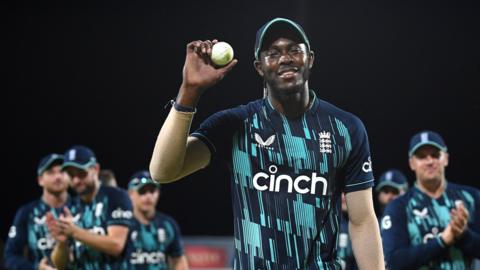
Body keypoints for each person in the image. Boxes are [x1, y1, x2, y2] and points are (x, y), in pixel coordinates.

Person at [149, 17, 384, 269]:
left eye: (295, 50)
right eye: (273, 53)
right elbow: (163, 171)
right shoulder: (236, 124)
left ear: (311, 59)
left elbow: (361, 221)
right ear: (259, 67)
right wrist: (189, 92)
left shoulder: (345, 128)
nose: (285, 58)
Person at [381, 130, 480, 269]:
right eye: (421, 156)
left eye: (435, 155)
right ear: (411, 163)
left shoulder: (472, 197)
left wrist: (463, 235)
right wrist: (442, 241)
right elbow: (393, 262)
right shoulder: (398, 206)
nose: (429, 161)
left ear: (446, 158)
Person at [46, 145, 133, 269]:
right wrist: (61, 242)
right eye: (71, 175)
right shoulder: (68, 207)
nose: (76, 180)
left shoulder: (116, 197)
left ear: (95, 169)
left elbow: (116, 245)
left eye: (81, 173)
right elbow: (60, 265)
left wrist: (75, 232)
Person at [4, 153, 69, 270]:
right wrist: (36, 268)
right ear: (40, 180)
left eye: (62, 171)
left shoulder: (82, 207)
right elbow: (10, 257)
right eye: (50, 172)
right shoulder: (27, 212)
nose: (58, 176)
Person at [126, 170, 188, 269]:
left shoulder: (168, 224)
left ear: (158, 193)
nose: (148, 196)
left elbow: (178, 259)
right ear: (130, 194)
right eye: (142, 192)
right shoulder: (123, 224)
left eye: (152, 191)